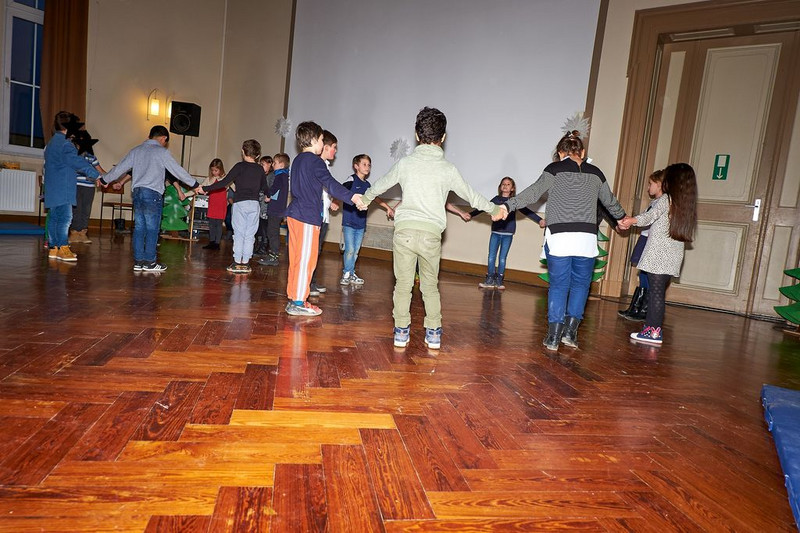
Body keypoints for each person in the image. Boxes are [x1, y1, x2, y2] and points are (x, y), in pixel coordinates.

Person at [358, 107, 502, 350]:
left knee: (403, 286)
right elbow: (471, 196)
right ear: (443, 137)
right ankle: (434, 333)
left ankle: (401, 332)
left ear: (417, 135)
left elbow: (381, 184)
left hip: (404, 232)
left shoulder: (405, 163)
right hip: (431, 235)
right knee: (430, 286)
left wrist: (365, 199)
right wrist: (494, 209)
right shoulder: (448, 169)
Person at [499, 130, 626, 351]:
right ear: (582, 153)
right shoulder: (596, 173)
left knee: (558, 286)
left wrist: (507, 206)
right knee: (581, 285)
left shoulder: (554, 169)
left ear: (560, 153)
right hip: (586, 239)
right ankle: (570, 333)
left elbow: (532, 193)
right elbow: (610, 201)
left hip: (559, 238)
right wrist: (622, 218)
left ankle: (553, 336)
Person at [284, 122, 362, 317]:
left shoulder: (298, 160)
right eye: (321, 139)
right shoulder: (315, 161)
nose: (322, 143)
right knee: (306, 260)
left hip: (295, 214)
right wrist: (352, 197)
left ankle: (294, 297)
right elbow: (330, 184)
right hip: (306, 216)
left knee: (296, 259)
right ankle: (298, 301)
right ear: (313, 140)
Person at [98, 125, 202, 272]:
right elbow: (177, 170)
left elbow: (120, 168)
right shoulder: (162, 152)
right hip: (152, 194)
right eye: (165, 142)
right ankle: (150, 262)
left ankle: (138, 262)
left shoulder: (136, 150)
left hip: (137, 193)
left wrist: (105, 180)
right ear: (163, 138)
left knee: (139, 228)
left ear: (150, 136)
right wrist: (195, 184)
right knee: (152, 229)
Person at [618, 163, 698, 345]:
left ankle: (653, 332)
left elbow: (650, 216)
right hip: (673, 256)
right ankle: (652, 330)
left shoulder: (666, 199)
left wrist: (631, 220)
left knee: (655, 294)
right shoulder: (685, 204)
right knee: (658, 293)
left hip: (658, 255)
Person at [202, 140, 267, 274]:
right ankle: (246, 263)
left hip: (240, 203)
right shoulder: (260, 169)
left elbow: (224, 182)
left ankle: (237, 262)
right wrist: (269, 195)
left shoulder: (239, 166)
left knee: (239, 234)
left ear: (243, 152)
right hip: (254, 205)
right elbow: (264, 187)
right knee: (250, 235)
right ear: (258, 155)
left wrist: (205, 188)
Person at [43, 111, 101, 262]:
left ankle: (54, 248)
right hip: (64, 187)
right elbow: (78, 162)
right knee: (65, 218)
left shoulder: (51, 143)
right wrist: (96, 175)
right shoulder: (66, 144)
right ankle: (63, 248)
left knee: (54, 218)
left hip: (52, 187)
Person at [469, 176, 545, 290]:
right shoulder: (496, 200)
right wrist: (471, 214)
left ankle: (499, 280)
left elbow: (526, 211)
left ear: (512, 188)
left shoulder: (514, 202)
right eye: (503, 184)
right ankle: (490, 279)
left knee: (502, 258)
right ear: (500, 187)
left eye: (508, 184)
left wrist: (539, 220)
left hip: (508, 234)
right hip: (495, 232)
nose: (505, 186)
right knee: (491, 256)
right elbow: (484, 207)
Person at [339, 153, 394, 286]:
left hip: (361, 224)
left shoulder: (367, 184)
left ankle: (351, 273)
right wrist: (335, 201)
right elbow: (341, 191)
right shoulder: (351, 179)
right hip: (349, 222)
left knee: (356, 251)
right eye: (364, 164)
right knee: (350, 249)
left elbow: (375, 198)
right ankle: (346, 273)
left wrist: (388, 207)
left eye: (369, 165)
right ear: (356, 166)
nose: (367, 167)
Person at [618, 169, 664, 320]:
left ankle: (644, 309)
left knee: (649, 274)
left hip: (652, 241)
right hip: (645, 239)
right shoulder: (654, 202)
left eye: (651, 184)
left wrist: (631, 221)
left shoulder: (663, 203)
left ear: (660, 184)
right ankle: (636, 307)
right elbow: (644, 217)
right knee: (642, 273)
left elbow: (648, 218)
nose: (648, 187)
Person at [309, 131, 342, 296]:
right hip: (316, 216)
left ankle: (312, 281)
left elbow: (325, 190)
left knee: (317, 251)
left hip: (324, 216)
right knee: (312, 251)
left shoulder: (325, 165)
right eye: (334, 147)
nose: (335, 151)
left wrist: (332, 201)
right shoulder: (317, 165)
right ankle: (308, 283)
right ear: (325, 147)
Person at [68, 130, 105, 245]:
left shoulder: (91, 157)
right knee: (76, 209)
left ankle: (83, 233)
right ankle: (74, 232)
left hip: (89, 187)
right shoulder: (73, 156)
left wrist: (112, 177)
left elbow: (100, 171)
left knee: (86, 209)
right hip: (76, 186)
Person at [258, 153, 290, 267]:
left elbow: (274, 188)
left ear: (281, 165)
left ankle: (273, 256)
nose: (273, 165)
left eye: (275, 163)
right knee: (272, 232)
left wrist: (268, 195)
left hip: (276, 209)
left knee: (272, 233)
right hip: (278, 209)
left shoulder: (280, 176)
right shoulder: (284, 176)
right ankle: (272, 254)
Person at [203, 158, 227, 250]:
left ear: (221, 169)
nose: (214, 172)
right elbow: (202, 187)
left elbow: (235, 188)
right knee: (211, 224)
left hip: (221, 205)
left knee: (218, 224)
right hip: (212, 204)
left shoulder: (225, 179)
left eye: (216, 170)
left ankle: (217, 243)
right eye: (212, 170)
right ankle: (212, 241)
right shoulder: (209, 179)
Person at [254, 155, 274, 256]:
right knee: (259, 227)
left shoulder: (271, 176)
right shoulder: (262, 175)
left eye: (263, 164)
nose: (261, 166)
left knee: (264, 227)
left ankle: (263, 247)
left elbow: (269, 190)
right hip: (260, 205)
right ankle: (259, 245)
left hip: (266, 207)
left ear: (270, 164)